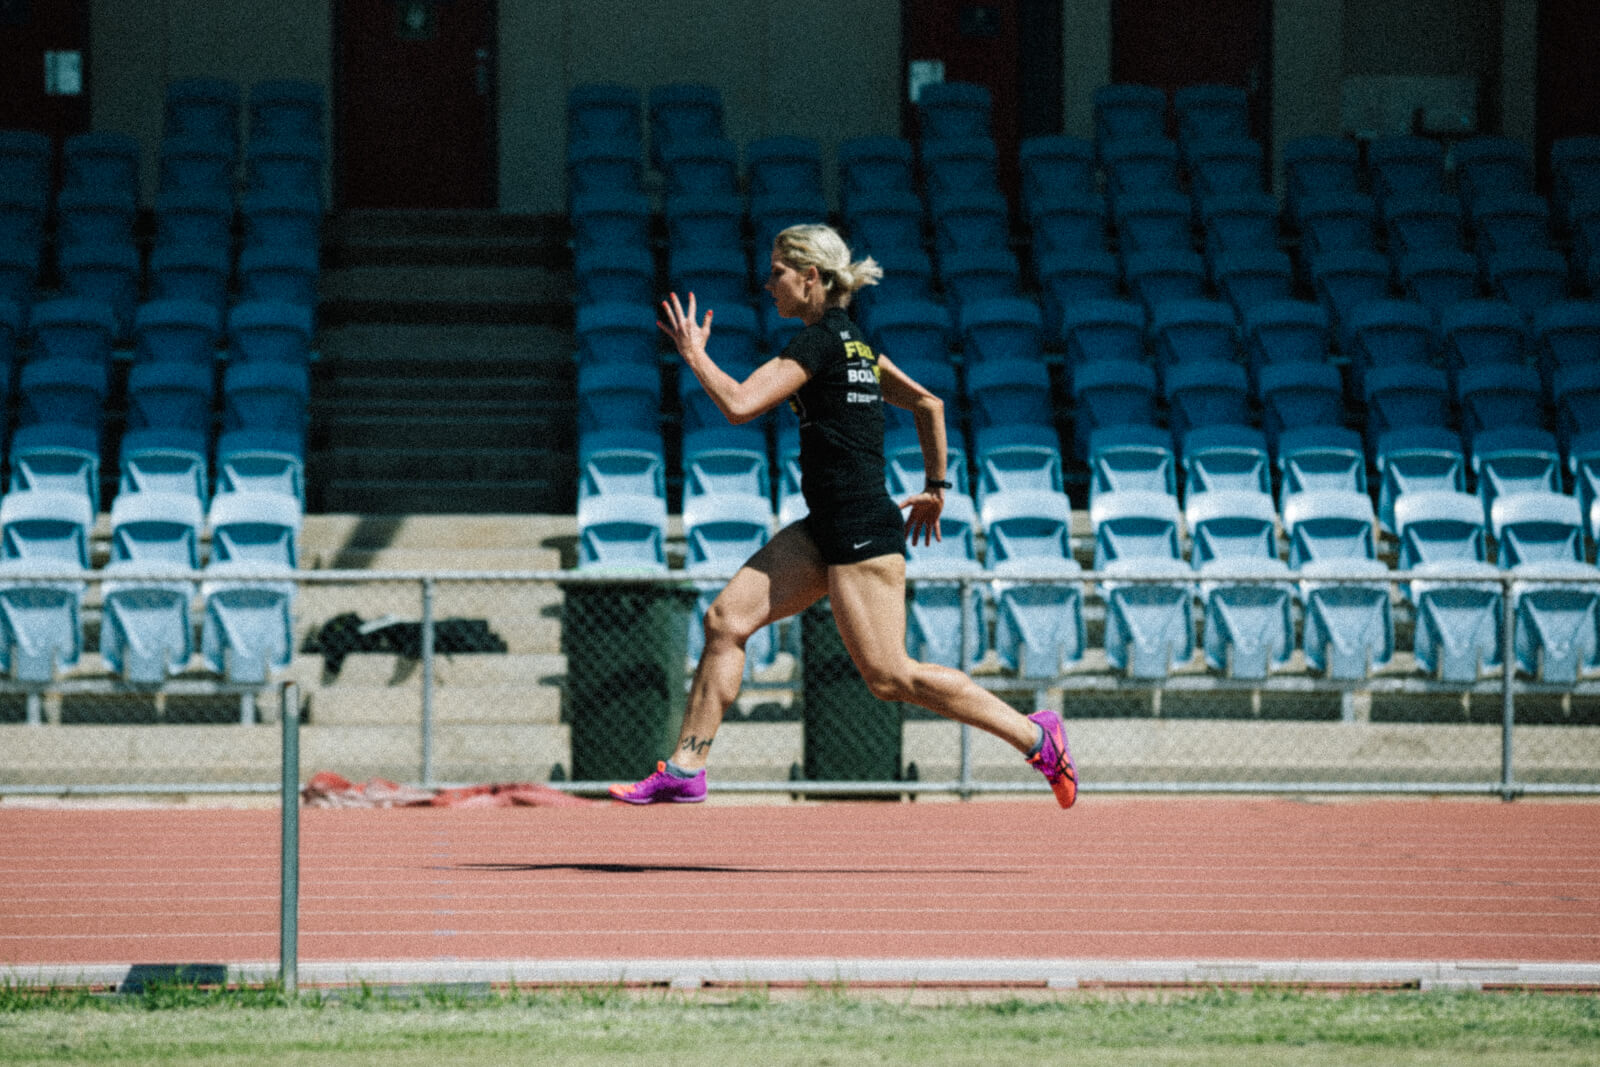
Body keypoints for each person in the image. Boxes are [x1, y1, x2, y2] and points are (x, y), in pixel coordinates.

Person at [609, 223, 1076, 808]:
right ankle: (687, 767)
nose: (767, 282)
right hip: (826, 525)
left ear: (810, 277)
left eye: (777, 271)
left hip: (859, 529)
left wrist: (695, 356)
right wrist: (935, 486)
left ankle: (1038, 736)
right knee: (726, 620)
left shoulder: (819, 343)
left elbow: (739, 404)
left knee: (890, 677)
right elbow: (929, 404)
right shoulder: (854, 343)